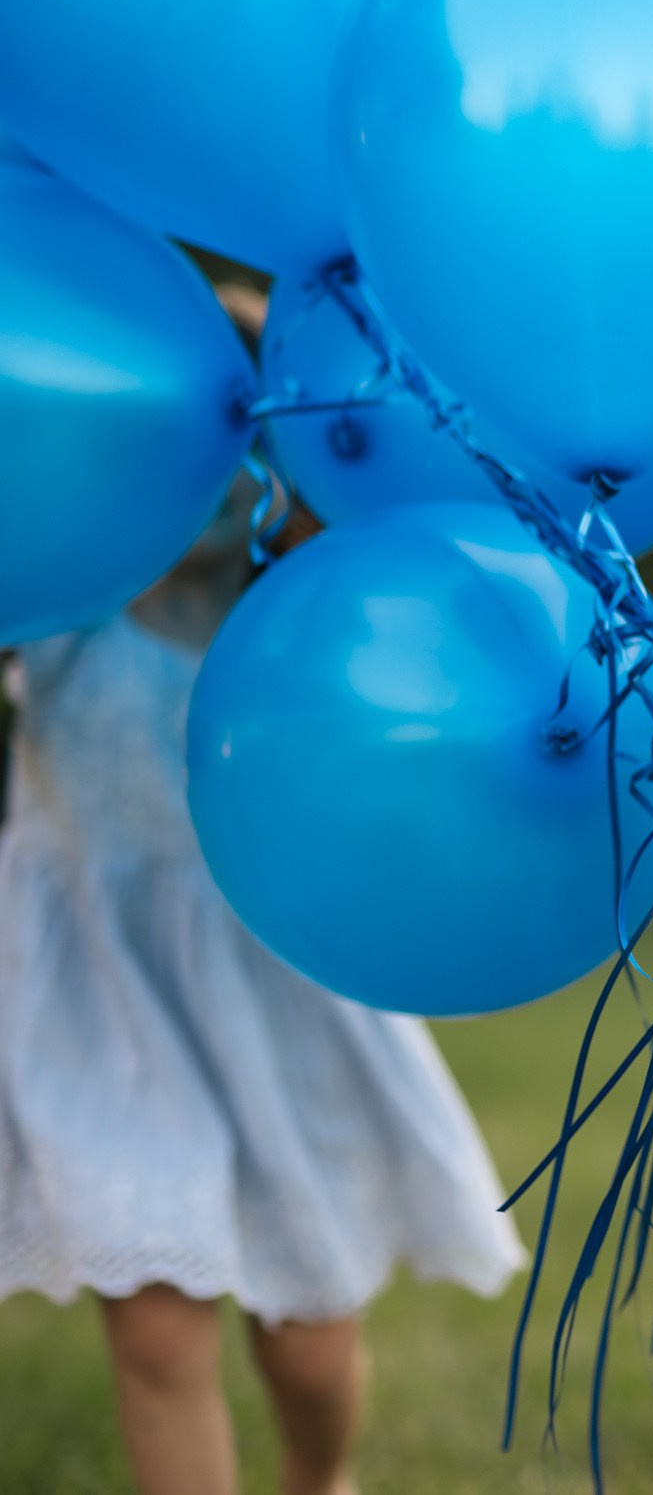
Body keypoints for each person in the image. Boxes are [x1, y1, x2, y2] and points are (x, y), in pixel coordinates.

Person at [0, 471, 525, 1495]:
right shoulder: (57, 573)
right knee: (155, 1329)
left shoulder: (309, 593)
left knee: (309, 1347)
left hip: (275, 973)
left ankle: (317, 1478)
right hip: (105, 988)